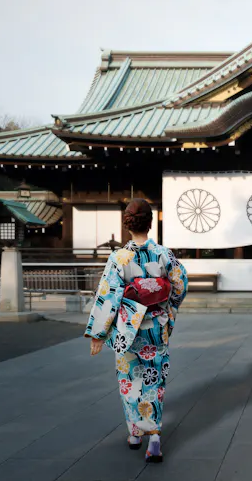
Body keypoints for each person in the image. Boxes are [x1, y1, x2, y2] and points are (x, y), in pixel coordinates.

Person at [85, 199, 188, 464]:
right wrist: (168, 312)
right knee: (154, 380)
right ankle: (154, 439)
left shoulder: (119, 257)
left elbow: (108, 295)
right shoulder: (164, 254)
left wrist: (98, 333)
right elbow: (179, 286)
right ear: (150, 223)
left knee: (129, 379)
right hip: (156, 327)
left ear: (127, 225)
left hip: (127, 328)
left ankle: (134, 433)